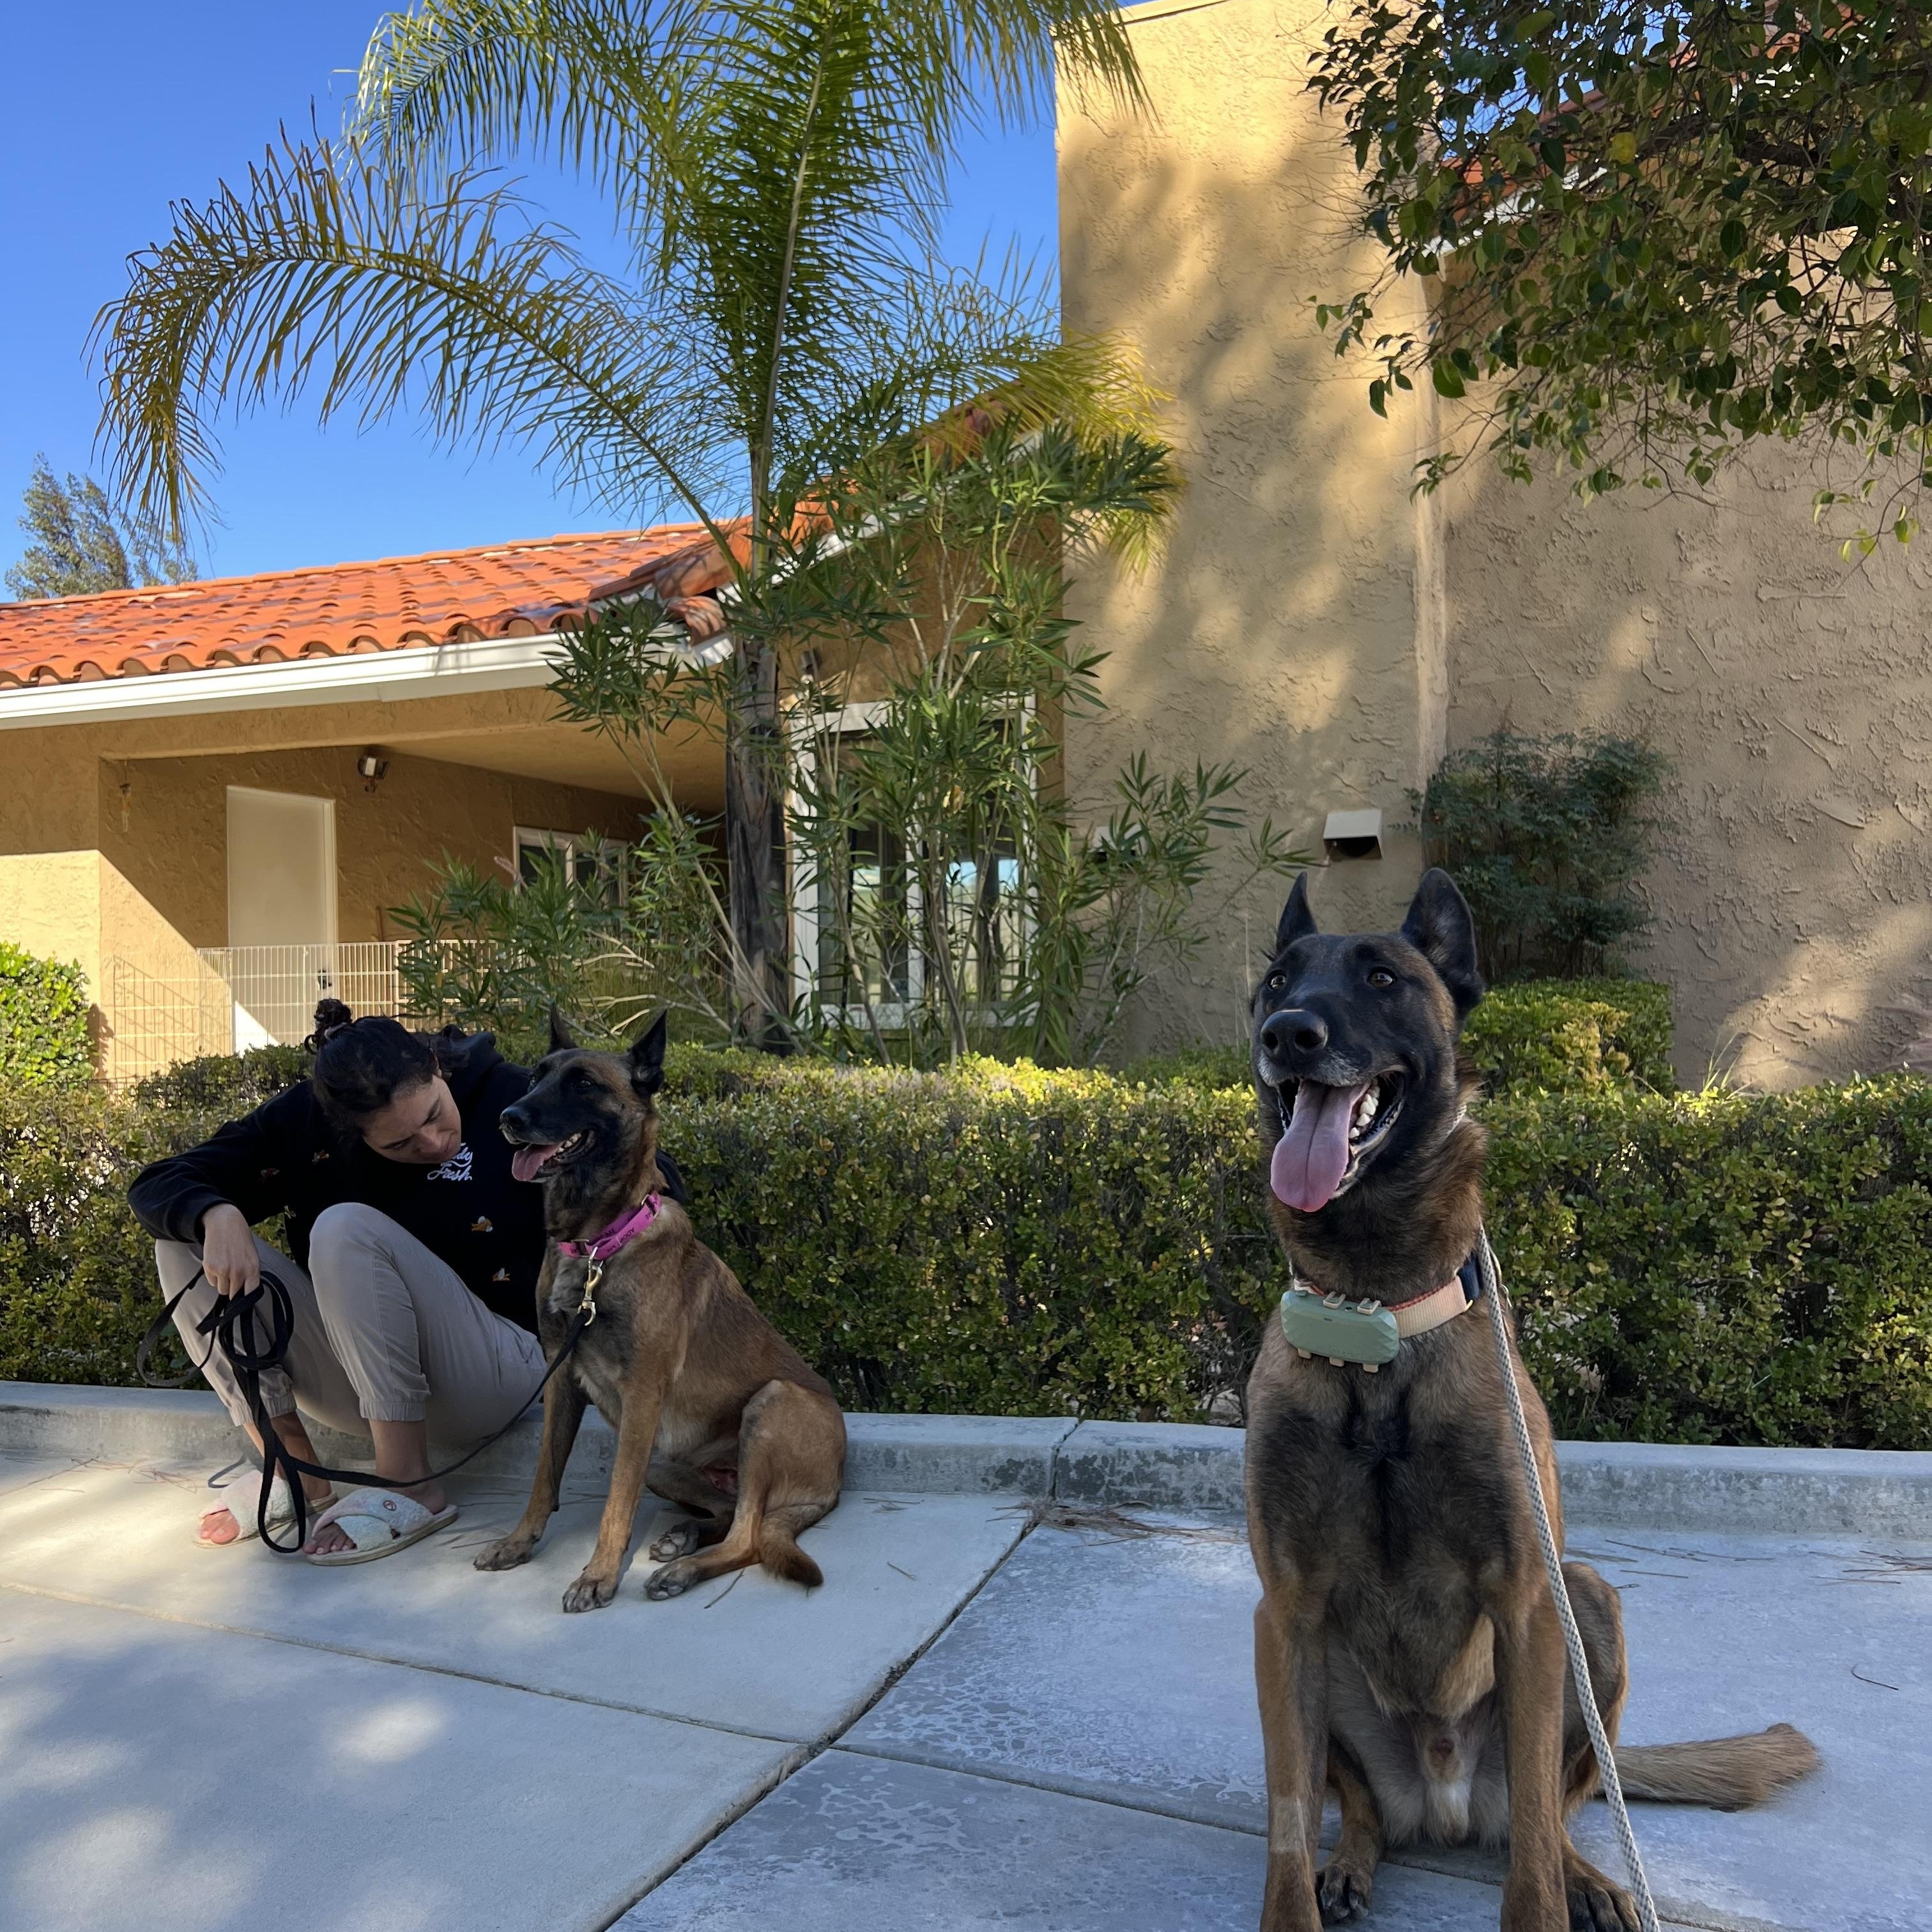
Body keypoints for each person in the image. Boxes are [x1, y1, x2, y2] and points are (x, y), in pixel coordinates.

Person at [128, 999, 686, 1565]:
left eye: (435, 1115)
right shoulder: (304, 1124)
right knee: (181, 1238)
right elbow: (161, 1181)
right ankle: (293, 1472)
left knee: (345, 1227)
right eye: (400, 1144)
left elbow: (653, 1182)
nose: (433, 1142)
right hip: (365, 1377)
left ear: (438, 1070)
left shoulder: (515, 1100)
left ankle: (409, 1484)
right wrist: (216, 1214)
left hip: (498, 1368)